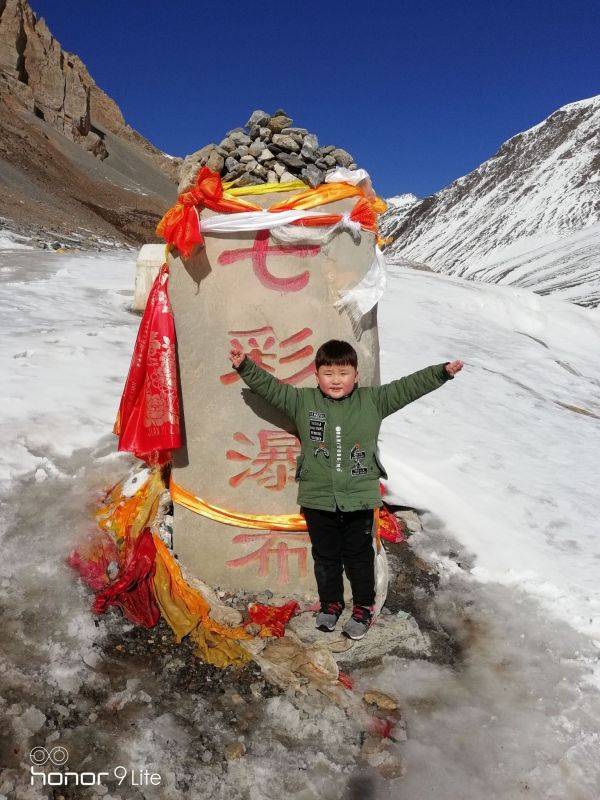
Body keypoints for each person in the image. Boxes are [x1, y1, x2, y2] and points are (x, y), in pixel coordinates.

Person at [229, 339, 463, 640]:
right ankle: (331, 604)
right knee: (325, 556)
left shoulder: (373, 401)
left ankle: (364, 606)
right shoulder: (303, 402)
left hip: (360, 498)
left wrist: (441, 373)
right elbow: (272, 389)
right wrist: (245, 366)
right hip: (318, 498)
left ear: (356, 376)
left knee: (359, 555)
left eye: (343, 373)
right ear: (316, 376)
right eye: (328, 373)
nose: (336, 380)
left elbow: (408, 387)